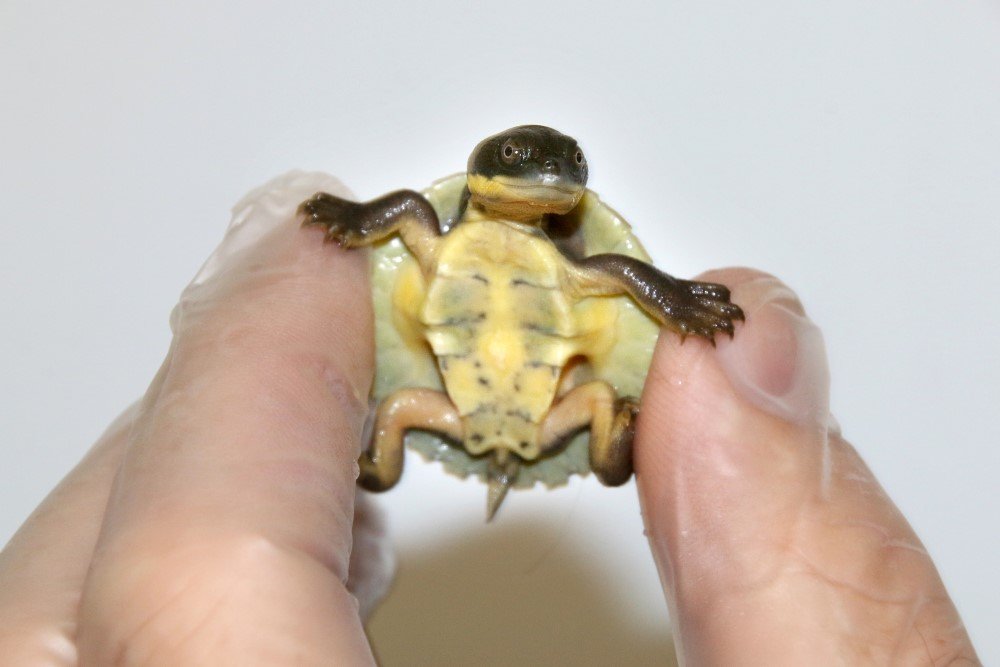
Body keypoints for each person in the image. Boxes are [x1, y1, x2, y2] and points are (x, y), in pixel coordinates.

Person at [0, 173, 979, 665]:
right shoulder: (434, 238)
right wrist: (351, 212)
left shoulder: (580, 266)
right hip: (437, 398)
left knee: (605, 404)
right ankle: (376, 454)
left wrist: (679, 305)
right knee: (389, 430)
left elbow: (631, 281)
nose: (535, 175)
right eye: (518, 165)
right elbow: (397, 219)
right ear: (484, 173)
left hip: (552, 401)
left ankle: (593, 440)